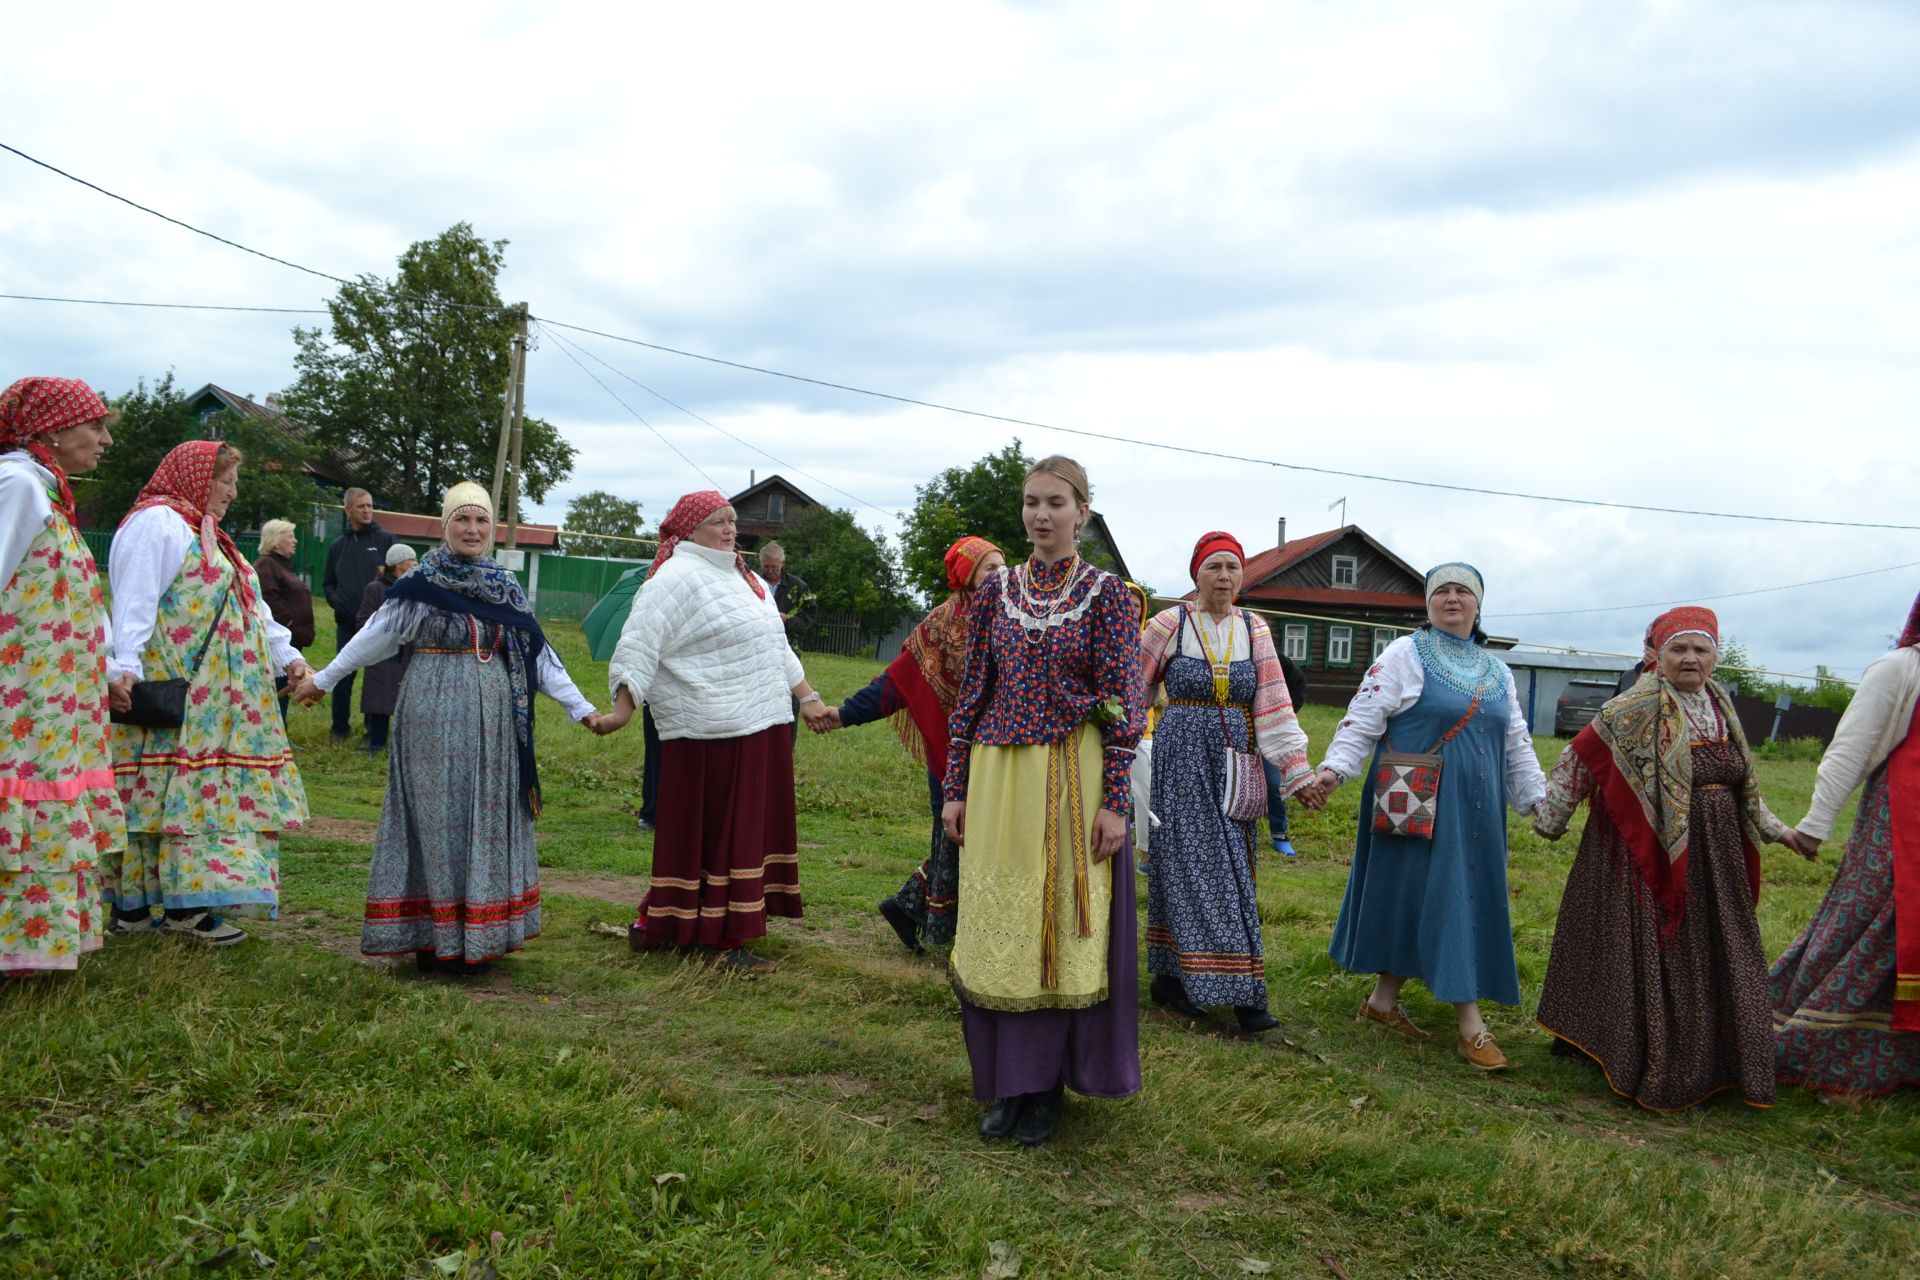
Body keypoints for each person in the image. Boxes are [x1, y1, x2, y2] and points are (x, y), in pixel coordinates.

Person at [292, 485, 603, 974]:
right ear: (445, 526)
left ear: (492, 529)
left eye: (481, 521)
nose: (473, 530)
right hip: (432, 711)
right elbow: (375, 637)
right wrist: (325, 680)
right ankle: (434, 938)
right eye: (463, 520)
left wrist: (582, 709)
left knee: (485, 814)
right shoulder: (422, 583)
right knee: (438, 816)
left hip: (495, 722)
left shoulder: (504, 586)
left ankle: (480, 935)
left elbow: (537, 656)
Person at [941, 455, 1146, 1146]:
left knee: (1055, 927)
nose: (1041, 515)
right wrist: (956, 788)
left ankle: (1046, 1086)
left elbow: (1127, 709)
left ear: (1082, 512)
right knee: (1002, 923)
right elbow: (972, 695)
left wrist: (1115, 801)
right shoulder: (997, 593)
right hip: (999, 779)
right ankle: (1006, 1083)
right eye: (1032, 502)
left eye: (1056, 502)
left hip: (1071, 777)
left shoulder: (1111, 595)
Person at [1534, 606, 1812, 1111]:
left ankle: (1718, 1057)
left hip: (1718, 853)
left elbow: (1743, 784)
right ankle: (1648, 1052)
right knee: (1652, 949)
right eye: (1678, 649)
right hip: (1644, 853)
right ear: (1658, 657)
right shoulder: (1632, 707)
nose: (1690, 659)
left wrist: (1779, 831)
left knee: (1720, 945)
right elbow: (1581, 756)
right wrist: (1551, 819)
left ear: (1715, 657)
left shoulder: (1721, 704)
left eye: (1700, 649)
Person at [1312, 563, 1545, 1071]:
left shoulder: (1497, 670)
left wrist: (1537, 800)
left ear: (1479, 605)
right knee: (1444, 898)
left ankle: (1380, 1003)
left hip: (1476, 810)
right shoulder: (1404, 653)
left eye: (1464, 591)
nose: (1453, 599)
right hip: (1417, 801)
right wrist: (1334, 771)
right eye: (1442, 591)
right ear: (1427, 602)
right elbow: (1363, 716)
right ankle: (1471, 1026)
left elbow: (1516, 742)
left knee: (1422, 897)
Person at [601, 491, 833, 969]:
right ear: (688, 530)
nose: (729, 530)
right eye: (716, 522)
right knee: (717, 836)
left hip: (762, 722)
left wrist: (807, 699)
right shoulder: (675, 578)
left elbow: (777, 647)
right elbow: (639, 644)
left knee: (742, 832)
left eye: (731, 521)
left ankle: (672, 921)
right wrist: (623, 710)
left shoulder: (750, 581)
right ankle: (718, 938)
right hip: (711, 730)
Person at [105, 441, 309, 944]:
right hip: (176, 689)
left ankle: (180, 906)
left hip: (216, 700)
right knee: (163, 796)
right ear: (198, 478)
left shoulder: (209, 535)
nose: (232, 493)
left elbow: (251, 609)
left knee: (185, 798)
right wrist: (124, 666)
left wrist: (291, 659)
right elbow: (133, 600)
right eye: (226, 482)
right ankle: (153, 909)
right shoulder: (159, 523)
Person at [1140, 532, 1319, 1034]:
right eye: (1214, 567)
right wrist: (1115, 754)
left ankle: (1222, 983)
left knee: (1234, 869)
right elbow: (1131, 692)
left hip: (1235, 763)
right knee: (1186, 866)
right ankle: (1198, 986)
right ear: (1195, 574)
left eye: (1232, 568)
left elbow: (1274, 703)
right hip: (1179, 762)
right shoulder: (1167, 625)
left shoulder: (1254, 628)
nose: (1224, 577)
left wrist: (1297, 770)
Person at [1769, 590, 1920, 1096]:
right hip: (1898, 828)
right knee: (1873, 926)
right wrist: (1814, 824)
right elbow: (1850, 747)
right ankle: (1816, 1045)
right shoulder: (1900, 669)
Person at [825, 535, 1005, 954]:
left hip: (1001, 746)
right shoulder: (941, 625)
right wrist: (844, 714)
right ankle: (926, 918)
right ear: (967, 577)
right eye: (989, 568)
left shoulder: (1011, 617)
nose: (1001, 574)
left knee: (979, 840)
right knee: (957, 838)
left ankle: (910, 907)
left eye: (1002, 566)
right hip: (951, 750)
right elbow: (897, 684)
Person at [0, 377, 125, 976]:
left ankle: (27, 946)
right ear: (51, 428)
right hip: (18, 697)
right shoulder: (17, 485)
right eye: (94, 426)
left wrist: (106, 665)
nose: (104, 441)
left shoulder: (48, 494)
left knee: (46, 805)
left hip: (52, 699)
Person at [321, 487, 393, 744]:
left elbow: (397, 576)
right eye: (361, 506)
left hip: (379, 626)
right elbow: (328, 582)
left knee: (376, 679)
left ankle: (372, 731)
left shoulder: (386, 540)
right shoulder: (337, 546)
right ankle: (339, 728)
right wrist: (337, 602)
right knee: (342, 675)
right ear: (348, 510)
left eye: (370, 506)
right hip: (347, 624)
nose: (367, 511)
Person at [354, 543, 418, 753]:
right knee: (379, 700)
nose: (409, 573)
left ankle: (403, 748)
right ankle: (375, 743)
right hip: (382, 654)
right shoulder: (375, 589)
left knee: (406, 700)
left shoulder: (415, 589)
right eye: (404, 569)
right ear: (394, 566)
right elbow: (364, 621)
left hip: (407, 652)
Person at [254, 518, 314, 720]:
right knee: (277, 688)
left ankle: (281, 731)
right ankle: (276, 732)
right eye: (290, 536)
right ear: (276, 540)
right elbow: (267, 598)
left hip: (291, 641)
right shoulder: (266, 565)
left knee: (285, 688)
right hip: (278, 640)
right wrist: (288, 623)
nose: (295, 540)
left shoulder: (282, 565)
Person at [1262, 652, 1310, 858]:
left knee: (1274, 783)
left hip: (1271, 729)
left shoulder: (1277, 660)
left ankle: (1280, 836)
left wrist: (1285, 713)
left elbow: (1299, 682)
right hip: (1241, 728)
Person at [759, 541, 817, 648]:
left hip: (789, 645)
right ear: (761, 563)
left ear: (782, 563)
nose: (770, 571)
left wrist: (788, 620)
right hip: (759, 643)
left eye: (774, 567)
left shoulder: (798, 586)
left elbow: (810, 616)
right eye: (766, 567)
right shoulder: (753, 583)